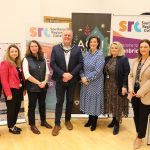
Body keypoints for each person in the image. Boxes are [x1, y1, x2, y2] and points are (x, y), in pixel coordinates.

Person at [50, 28, 83, 136]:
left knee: (69, 101)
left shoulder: (77, 49)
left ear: (72, 37)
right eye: (65, 35)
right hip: (60, 79)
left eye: (69, 35)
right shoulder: (55, 48)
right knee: (59, 101)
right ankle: (57, 124)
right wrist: (63, 74)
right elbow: (53, 64)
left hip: (72, 80)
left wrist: (71, 74)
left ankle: (67, 120)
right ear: (62, 36)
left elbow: (80, 63)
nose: (67, 37)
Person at [22, 40, 52, 135]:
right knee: (32, 106)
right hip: (32, 88)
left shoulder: (42, 58)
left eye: (35, 46)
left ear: (38, 47)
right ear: (29, 48)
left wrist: (44, 82)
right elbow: (27, 75)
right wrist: (39, 82)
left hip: (43, 86)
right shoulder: (26, 59)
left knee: (42, 104)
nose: (34, 48)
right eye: (32, 46)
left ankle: (43, 121)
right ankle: (32, 125)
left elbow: (47, 72)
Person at [104, 41, 130, 135]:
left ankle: (117, 124)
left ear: (119, 49)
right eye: (112, 48)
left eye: (116, 48)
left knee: (117, 104)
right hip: (108, 85)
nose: (113, 49)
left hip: (117, 86)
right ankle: (113, 120)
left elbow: (126, 74)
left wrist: (124, 86)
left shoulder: (123, 59)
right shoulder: (107, 58)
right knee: (111, 104)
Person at [128, 39, 150, 149]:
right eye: (141, 47)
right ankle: (138, 132)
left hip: (146, 94)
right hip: (134, 93)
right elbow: (131, 76)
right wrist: (131, 88)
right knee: (136, 115)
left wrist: (141, 92)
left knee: (143, 116)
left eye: (145, 47)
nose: (143, 49)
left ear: (149, 48)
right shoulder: (136, 61)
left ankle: (140, 137)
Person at [80, 36, 105, 131]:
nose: (92, 43)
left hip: (95, 82)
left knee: (94, 101)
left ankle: (94, 122)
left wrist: (87, 78)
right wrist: (82, 77)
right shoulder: (86, 53)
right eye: (91, 42)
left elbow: (98, 71)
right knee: (88, 101)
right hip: (85, 82)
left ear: (98, 43)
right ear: (88, 43)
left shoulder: (100, 55)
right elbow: (81, 66)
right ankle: (90, 119)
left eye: (95, 42)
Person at [1, 44, 25, 134]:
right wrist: (8, 94)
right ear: (9, 53)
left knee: (17, 108)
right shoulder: (5, 63)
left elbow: (21, 78)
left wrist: (24, 89)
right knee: (11, 110)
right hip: (11, 91)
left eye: (16, 51)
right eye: (12, 51)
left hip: (19, 90)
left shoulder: (18, 63)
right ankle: (11, 127)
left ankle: (13, 125)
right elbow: (4, 80)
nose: (14, 53)